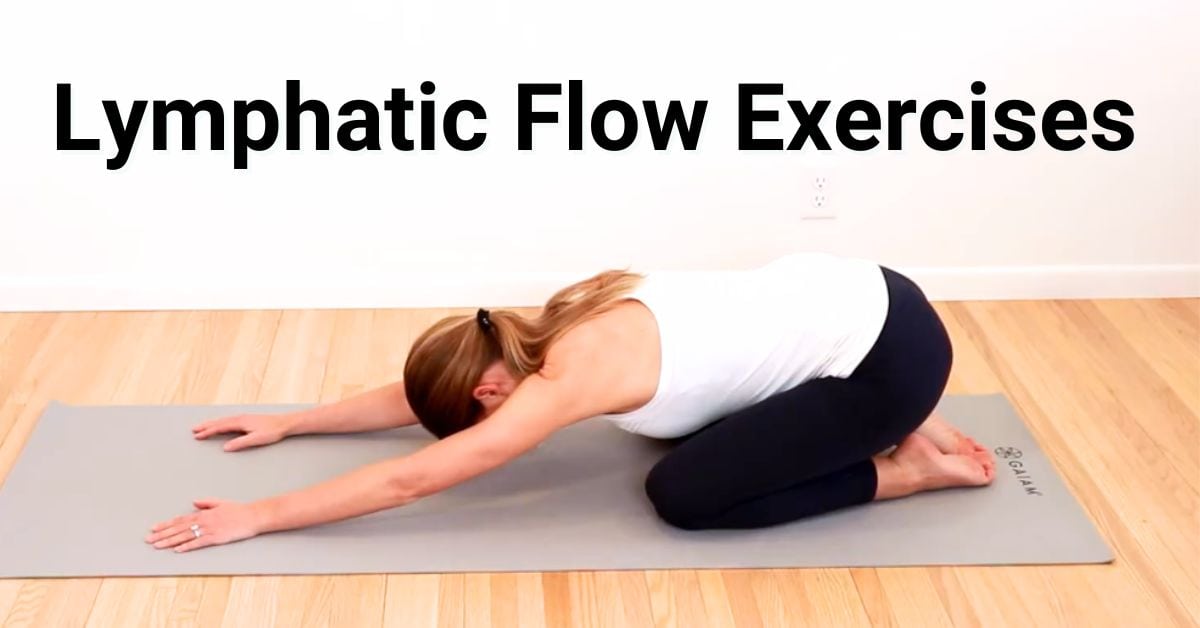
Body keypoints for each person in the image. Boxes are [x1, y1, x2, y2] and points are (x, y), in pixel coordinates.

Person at [147, 253, 995, 553]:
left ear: (491, 390)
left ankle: (909, 466)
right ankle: (887, 412)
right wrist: (293, 420)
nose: (493, 428)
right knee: (687, 430)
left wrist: (259, 517)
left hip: (888, 361)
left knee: (687, 493)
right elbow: (419, 402)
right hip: (870, 290)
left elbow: (411, 480)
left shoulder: (568, 377)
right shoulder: (555, 317)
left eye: (481, 415)